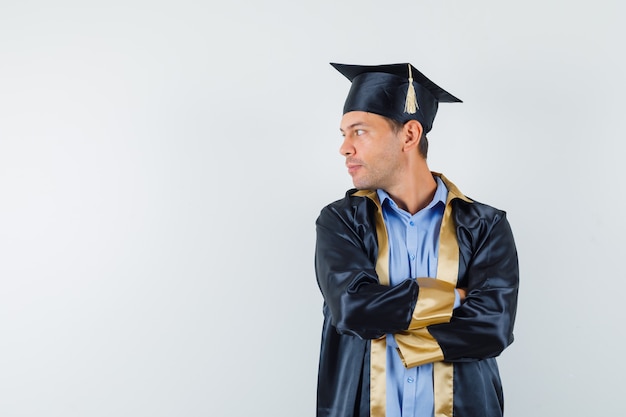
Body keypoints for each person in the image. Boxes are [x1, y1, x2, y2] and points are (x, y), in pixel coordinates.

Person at [314, 63, 519, 417]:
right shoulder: (342, 221)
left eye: (358, 132)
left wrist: (395, 333)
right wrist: (455, 298)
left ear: (409, 135)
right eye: (343, 134)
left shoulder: (484, 225)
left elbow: (492, 328)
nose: (344, 148)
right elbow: (351, 308)